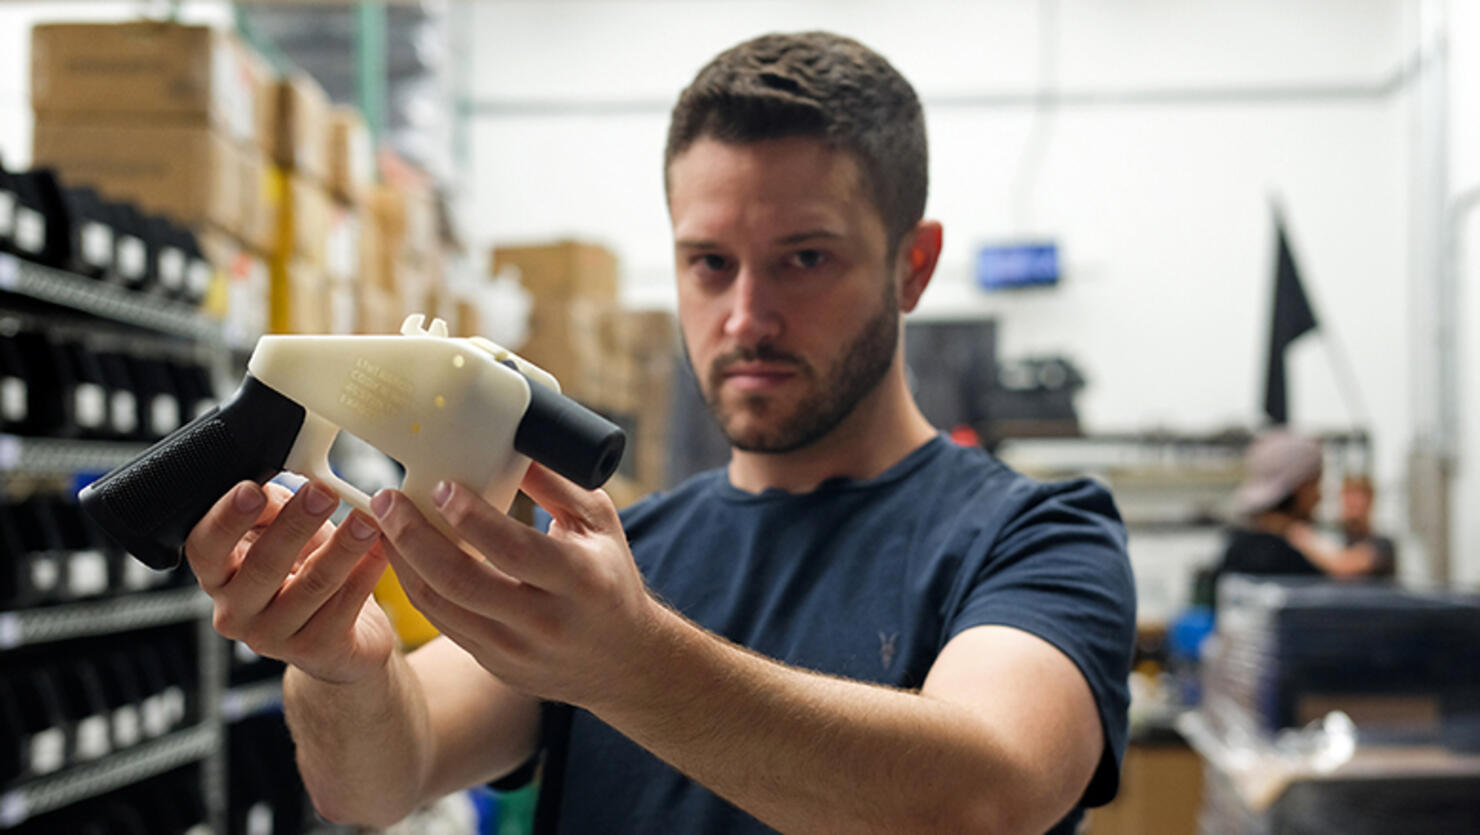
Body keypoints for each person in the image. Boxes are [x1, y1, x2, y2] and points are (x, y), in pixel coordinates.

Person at [183, 32, 1135, 834]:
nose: (746, 314)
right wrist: (341, 664)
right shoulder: (628, 554)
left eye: (805, 258)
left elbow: (986, 799)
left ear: (912, 266)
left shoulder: (1038, 538)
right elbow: (375, 779)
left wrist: (628, 663)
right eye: (710, 262)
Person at [1216, 429, 1381, 583]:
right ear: (1300, 488)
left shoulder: (1236, 548)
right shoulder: (1292, 561)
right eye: (1316, 484)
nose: (1320, 496)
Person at [1339, 474, 1398, 579]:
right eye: (1348, 495)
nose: (1352, 502)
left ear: (1370, 500)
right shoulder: (1338, 541)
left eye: (1358, 496)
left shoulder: (1383, 545)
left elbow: (1346, 565)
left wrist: (1301, 534)